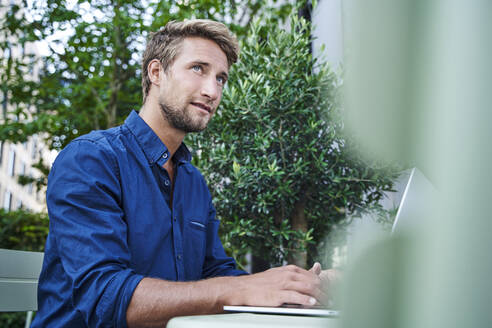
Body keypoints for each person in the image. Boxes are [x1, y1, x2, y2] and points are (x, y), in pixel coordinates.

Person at [32, 19, 333, 328]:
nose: (212, 90)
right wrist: (241, 289)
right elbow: (106, 297)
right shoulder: (91, 159)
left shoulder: (192, 182)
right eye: (198, 69)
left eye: (221, 79)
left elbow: (217, 275)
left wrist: (301, 287)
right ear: (156, 73)